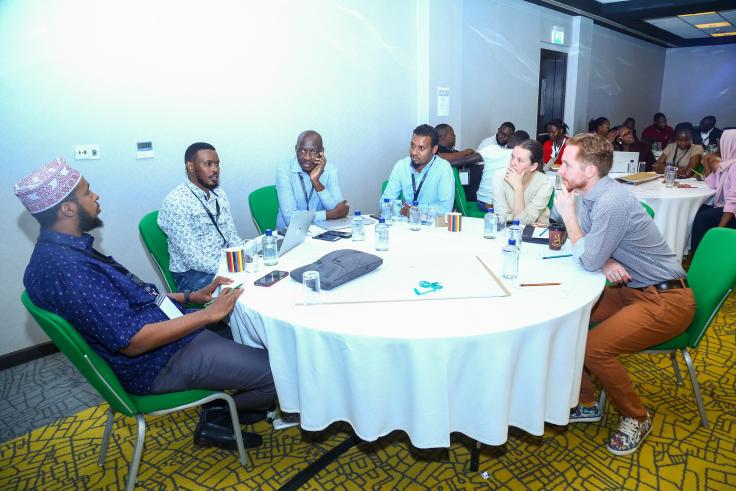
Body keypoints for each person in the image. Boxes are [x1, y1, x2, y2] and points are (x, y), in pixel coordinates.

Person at [16, 158, 276, 451]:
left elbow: (134, 297)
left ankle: (231, 401)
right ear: (68, 208)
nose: (96, 196)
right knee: (278, 369)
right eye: (88, 192)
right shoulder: (69, 270)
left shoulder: (62, 252)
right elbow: (133, 342)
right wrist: (207, 316)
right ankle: (221, 419)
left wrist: (190, 297)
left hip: (166, 334)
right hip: (156, 361)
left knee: (260, 334)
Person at [554, 133, 695, 456]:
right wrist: (604, 260)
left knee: (593, 349)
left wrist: (573, 221)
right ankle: (587, 401)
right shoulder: (591, 195)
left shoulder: (610, 201)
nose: (560, 169)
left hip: (667, 300)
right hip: (632, 289)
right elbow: (592, 253)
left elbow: (587, 256)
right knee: (570, 319)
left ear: (590, 171)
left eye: (567, 164)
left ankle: (637, 416)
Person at [159, 142, 244, 292]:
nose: (215, 169)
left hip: (224, 263)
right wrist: (231, 266)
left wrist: (245, 255)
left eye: (217, 164)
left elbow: (231, 234)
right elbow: (192, 258)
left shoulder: (219, 193)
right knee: (240, 290)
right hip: (192, 275)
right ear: (190, 167)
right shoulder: (176, 202)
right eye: (208, 164)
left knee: (260, 274)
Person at [276, 130, 349, 228]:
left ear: (321, 152)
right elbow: (290, 219)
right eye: (302, 151)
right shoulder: (284, 170)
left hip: (321, 231)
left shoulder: (330, 170)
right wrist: (329, 214)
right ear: (296, 149)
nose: (307, 157)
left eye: (313, 152)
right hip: (288, 234)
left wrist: (316, 182)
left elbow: (339, 210)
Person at [381, 124, 454, 215]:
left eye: (421, 148)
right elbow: (384, 202)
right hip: (405, 224)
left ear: (434, 149)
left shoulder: (443, 168)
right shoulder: (401, 166)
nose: (414, 152)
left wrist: (415, 210)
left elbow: (445, 208)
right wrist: (402, 209)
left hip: (431, 225)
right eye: (412, 146)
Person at [690, 129, 736, 253]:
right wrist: (706, 160)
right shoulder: (728, 163)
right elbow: (713, 184)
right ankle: (704, 249)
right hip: (724, 206)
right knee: (697, 209)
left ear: (730, 144)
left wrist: (719, 229)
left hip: (732, 212)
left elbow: (733, 201)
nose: (719, 144)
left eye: (722, 142)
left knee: (702, 218)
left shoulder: (734, 166)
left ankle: (699, 255)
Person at [492, 139, 553, 225]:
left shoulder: (545, 183)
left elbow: (521, 223)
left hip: (537, 233)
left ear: (533, 167)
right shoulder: (499, 177)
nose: (513, 163)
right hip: (506, 230)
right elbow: (502, 217)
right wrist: (525, 219)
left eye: (520, 160)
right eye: (512, 157)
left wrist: (518, 188)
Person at [476, 130, 530, 212]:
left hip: (481, 202)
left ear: (510, 138)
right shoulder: (518, 158)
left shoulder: (492, 148)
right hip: (493, 205)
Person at [435, 123, 483, 201]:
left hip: (474, 192)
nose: (455, 136)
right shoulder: (436, 150)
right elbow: (439, 158)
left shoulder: (452, 150)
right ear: (443, 136)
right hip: (462, 196)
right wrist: (466, 152)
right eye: (452, 134)